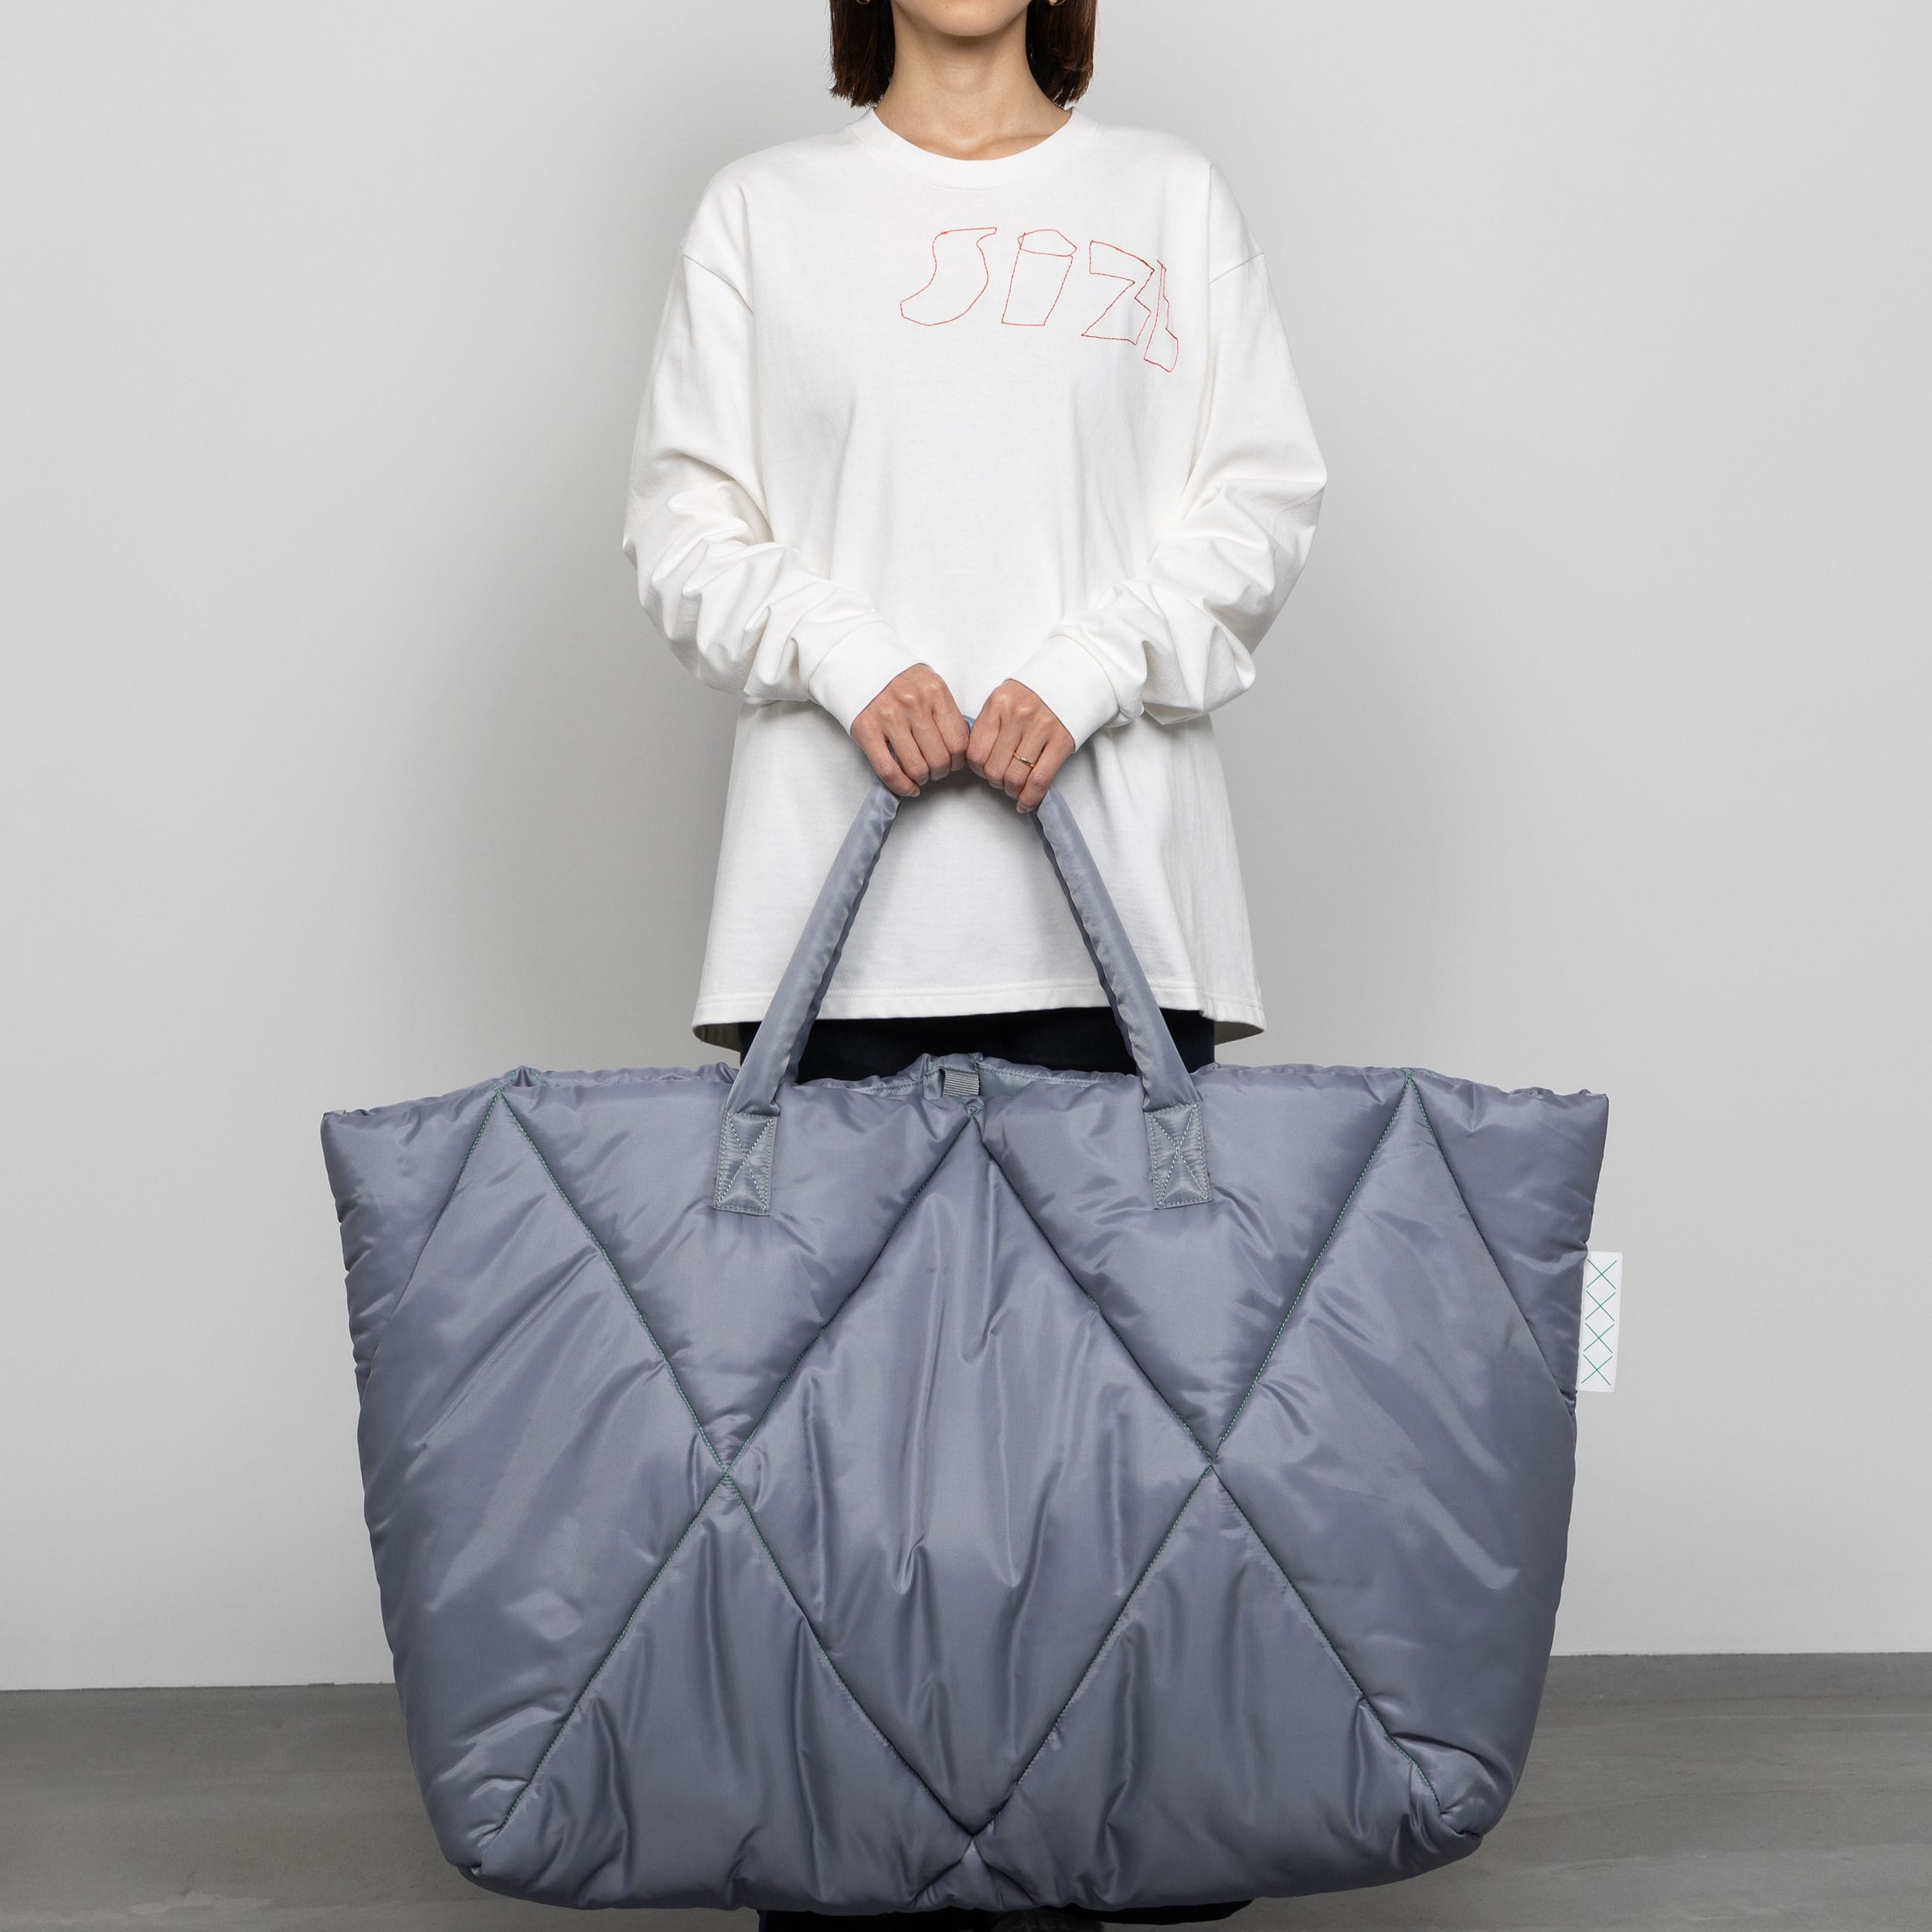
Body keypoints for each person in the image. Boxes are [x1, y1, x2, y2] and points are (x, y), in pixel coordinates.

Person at [622, 3, 1324, 1927]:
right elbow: (679, 521)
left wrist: (1082, 669)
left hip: (1114, 926)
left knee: (1118, 1468)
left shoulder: (1166, 201)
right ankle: (839, 1862)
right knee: (834, 1482)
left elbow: (1260, 503)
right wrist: (849, 657)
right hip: (832, 940)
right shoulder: (762, 212)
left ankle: (1110, 1851)